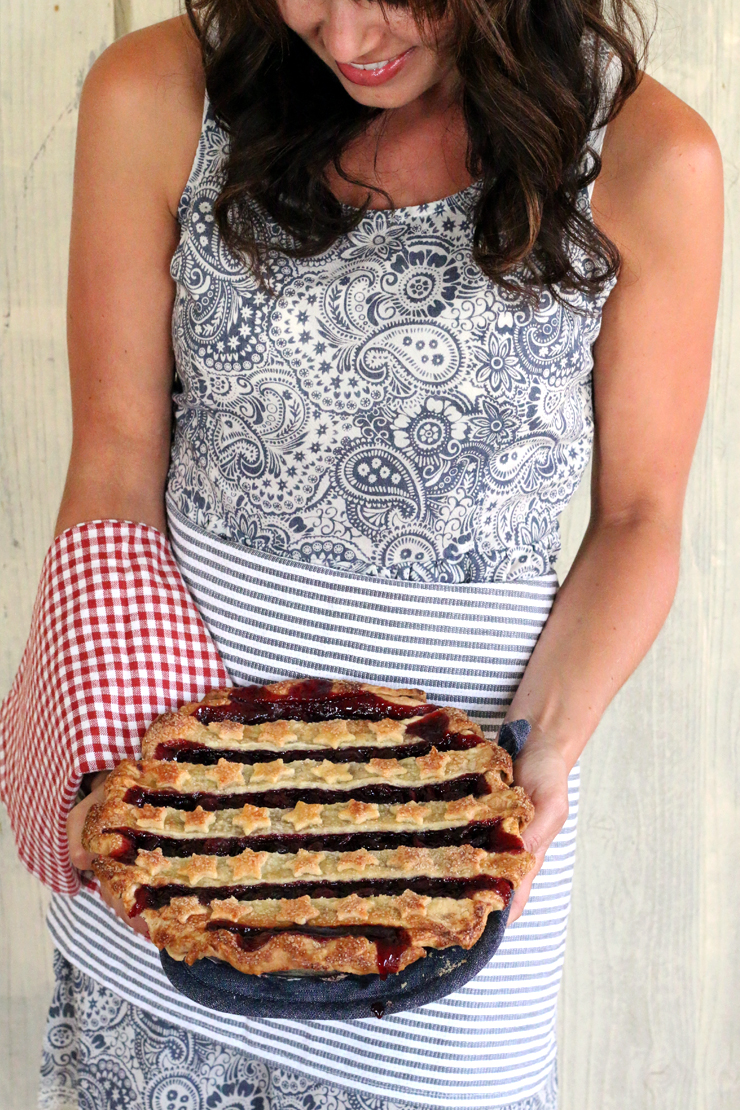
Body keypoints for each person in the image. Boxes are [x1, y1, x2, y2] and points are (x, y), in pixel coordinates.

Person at [7, 1, 723, 1107]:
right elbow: (111, 458)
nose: (343, 37)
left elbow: (636, 518)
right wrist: (121, 766)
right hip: (189, 831)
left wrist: (536, 759)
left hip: (442, 863)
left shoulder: (645, 155)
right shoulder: (163, 94)